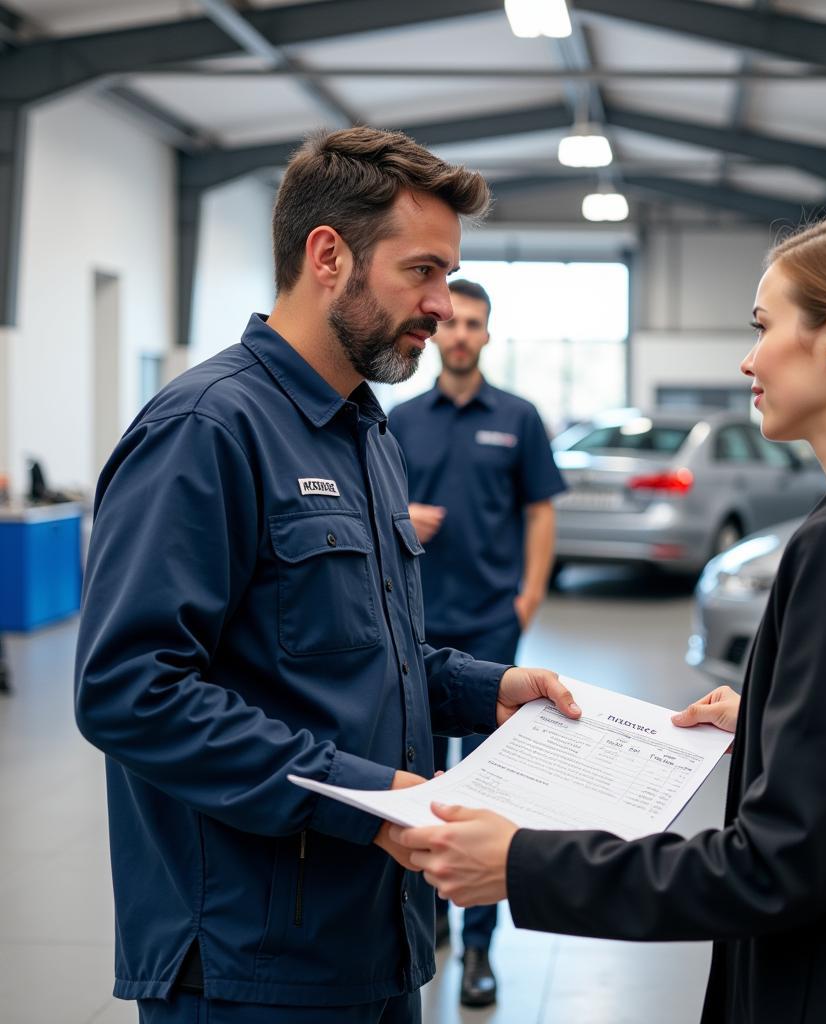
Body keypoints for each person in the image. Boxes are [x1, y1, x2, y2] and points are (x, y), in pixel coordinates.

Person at [392, 215, 826, 1023]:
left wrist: (524, 863)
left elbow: (775, 869)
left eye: (762, 327)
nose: (748, 358)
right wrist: (769, 719)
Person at [73, 126, 581, 1024]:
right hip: (247, 962)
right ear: (328, 255)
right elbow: (129, 690)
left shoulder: (362, 431)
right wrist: (362, 794)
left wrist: (485, 687)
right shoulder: (207, 430)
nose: (440, 302)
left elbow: (358, 652)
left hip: (373, 940)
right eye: (421, 272)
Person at [388, 279, 564, 1006]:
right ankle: (427, 917)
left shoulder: (518, 419)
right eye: (452, 321)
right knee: (424, 789)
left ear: (487, 335)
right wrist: (403, 515)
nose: (459, 334)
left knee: (486, 792)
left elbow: (541, 515)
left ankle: (481, 946)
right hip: (417, 631)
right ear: (438, 328)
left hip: (493, 629)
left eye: (474, 324)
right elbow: (374, 510)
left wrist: (527, 599)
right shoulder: (398, 419)